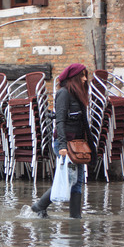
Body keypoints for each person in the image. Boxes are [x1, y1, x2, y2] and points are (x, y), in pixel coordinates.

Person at [31, 63, 96, 219]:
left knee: (77, 180)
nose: (85, 79)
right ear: (73, 78)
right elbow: (59, 121)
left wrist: (90, 146)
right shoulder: (64, 93)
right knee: (69, 179)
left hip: (78, 145)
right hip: (65, 144)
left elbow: (84, 123)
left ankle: (75, 216)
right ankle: (39, 206)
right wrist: (62, 145)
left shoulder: (78, 95)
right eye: (82, 76)